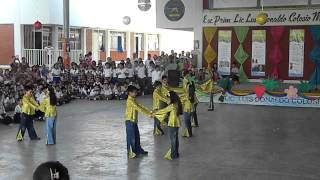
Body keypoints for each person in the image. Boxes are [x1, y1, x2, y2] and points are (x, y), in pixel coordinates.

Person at [125, 85, 152, 159]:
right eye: (134, 92)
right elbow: (138, 108)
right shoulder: (130, 101)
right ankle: (131, 152)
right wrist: (148, 114)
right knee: (131, 137)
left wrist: (149, 111)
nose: (136, 94)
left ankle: (138, 150)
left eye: (136, 92)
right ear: (129, 93)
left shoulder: (134, 99)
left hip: (134, 121)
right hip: (129, 120)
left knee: (137, 136)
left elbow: (140, 106)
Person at [154, 91, 183, 160]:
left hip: (172, 123)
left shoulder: (172, 105)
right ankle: (176, 153)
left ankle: (173, 154)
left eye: (168, 98)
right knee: (175, 138)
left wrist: (154, 113)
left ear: (171, 98)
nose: (168, 99)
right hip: (176, 123)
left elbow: (163, 111)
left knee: (173, 139)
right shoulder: (177, 103)